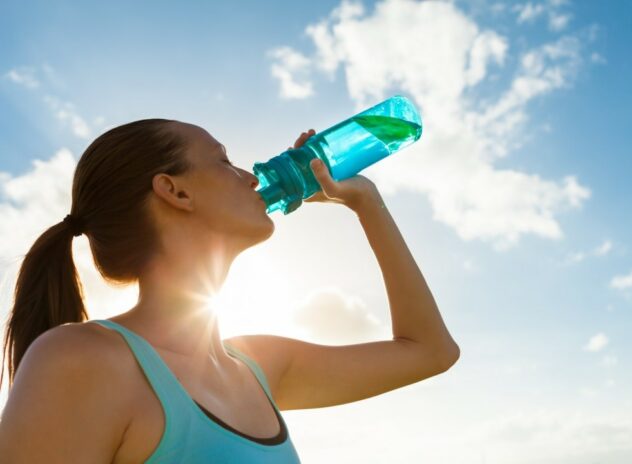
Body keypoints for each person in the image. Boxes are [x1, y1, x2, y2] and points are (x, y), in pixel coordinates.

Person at [0, 118, 460, 463]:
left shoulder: (257, 367)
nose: (252, 176)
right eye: (223, 160)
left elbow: (431, 351)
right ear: (174, 191)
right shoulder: (82, 360)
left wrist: (364, 201)